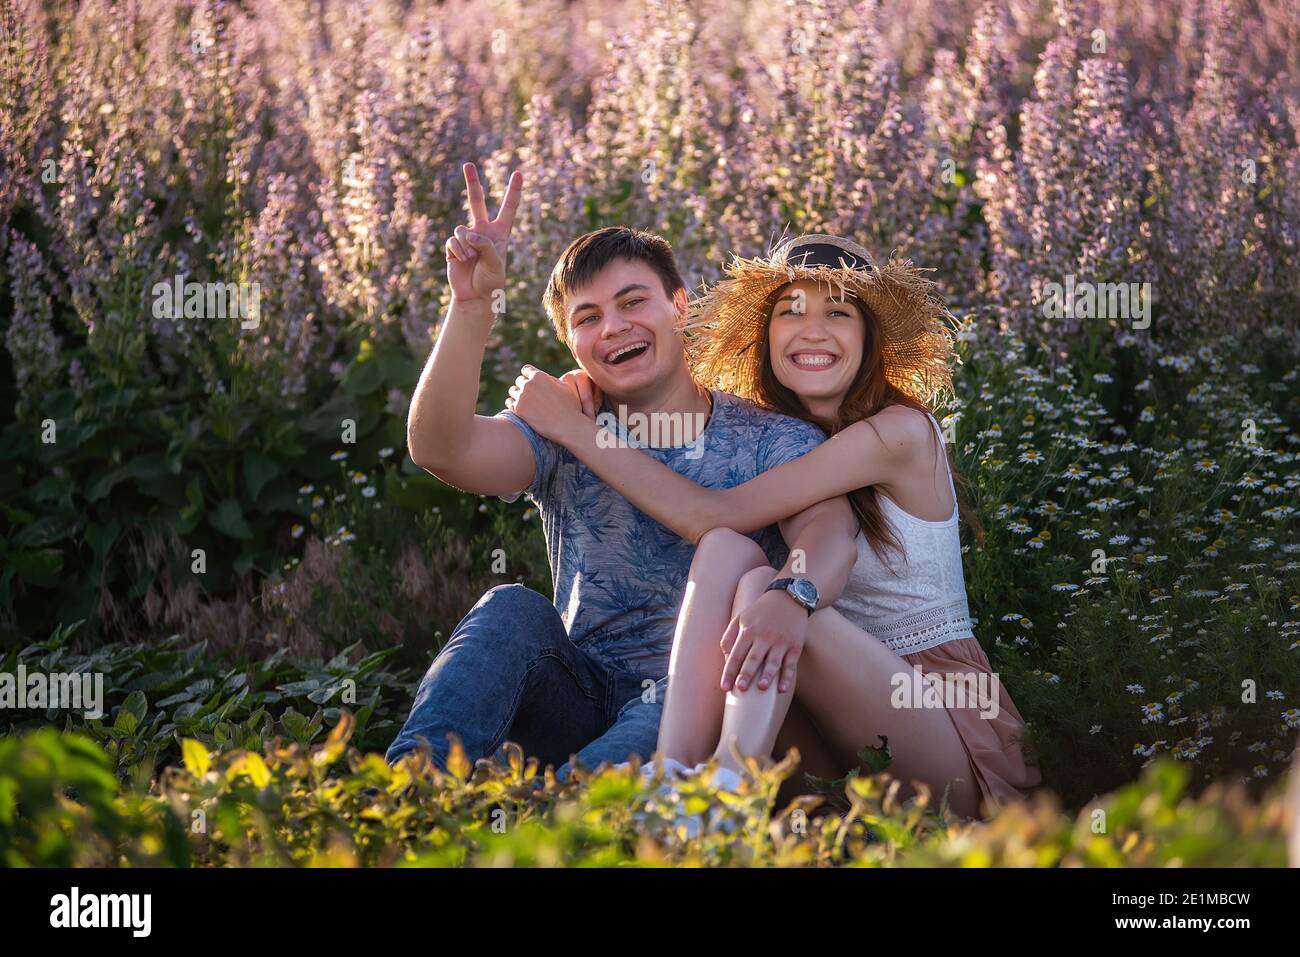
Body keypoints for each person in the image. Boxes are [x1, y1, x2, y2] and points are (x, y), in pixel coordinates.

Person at [507, 233, 1041, 818]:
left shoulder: (897, 433)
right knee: (729, 556)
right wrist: (587, 389)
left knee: (759, 579)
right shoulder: (781, 438)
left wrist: (576, 430)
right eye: (791, 313)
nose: (812, 330)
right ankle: (679, 780)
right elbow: (720, 533)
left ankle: (726, 798)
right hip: (820, 716)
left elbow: (706, 512)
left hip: (934, 716)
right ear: (768, 335)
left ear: (870, 336)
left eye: (838, 312)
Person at [385, 166, 860, 783]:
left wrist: (791, 595)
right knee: (510, 607)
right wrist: (472, 306)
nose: (613, 327)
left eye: (634, 301)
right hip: (577, 690)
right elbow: (440, 448)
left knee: (587, 797)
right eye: (588, 318)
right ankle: (409, 792)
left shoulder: (768, 436)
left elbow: (829, 530)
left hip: (690, 699)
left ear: (679, 306)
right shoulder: (561, 424)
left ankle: (553, 815)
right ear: (571, 342)